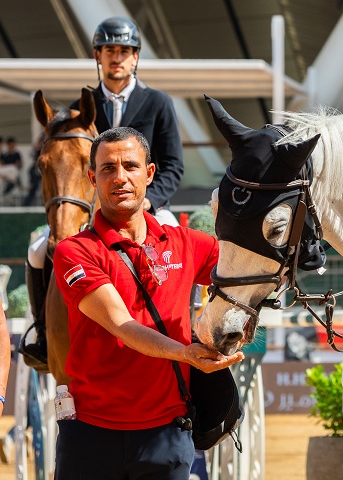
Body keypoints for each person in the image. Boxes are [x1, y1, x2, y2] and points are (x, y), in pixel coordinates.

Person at [52, 127, 242, 479]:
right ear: (92, 178)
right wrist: (185, 353)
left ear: (150, 173)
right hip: (90, 435)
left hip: (167, 434)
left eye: (130, 166)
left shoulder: (188, 243)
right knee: (37, 255)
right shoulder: (73, 251)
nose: (119, 177)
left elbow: (247, 273)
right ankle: (38, 336)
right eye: (108, 168)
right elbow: (122, 325)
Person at [23, 16, 185, 368]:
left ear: (135, 56)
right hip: (96, 206)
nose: (117, 57)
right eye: (110, 50)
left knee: (177, 243)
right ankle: (42, 333)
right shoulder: (82, 104)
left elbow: (173, 165)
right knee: (37, 251)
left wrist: (148, 200)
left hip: (149, 204)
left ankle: (192, 325)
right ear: (98, 55)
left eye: (124, 51)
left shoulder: (158, 102)